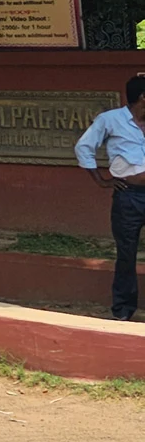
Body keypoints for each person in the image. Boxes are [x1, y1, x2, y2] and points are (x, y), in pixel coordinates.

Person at [74, 73, 145, 320]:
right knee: (126, 254)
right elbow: (84, 146)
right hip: (129, 197)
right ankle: (124, 310)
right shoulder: (110, 120)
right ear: (142, 98)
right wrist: (101, 181)